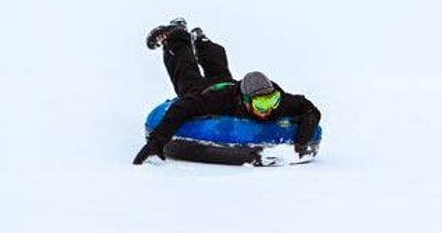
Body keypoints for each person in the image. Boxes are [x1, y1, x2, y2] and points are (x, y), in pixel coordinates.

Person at [133, 18, 322, 165]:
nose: (268, 109)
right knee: (185, 76)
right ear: (246, 101)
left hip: (227, 83)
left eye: (271, 101)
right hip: (206, 91)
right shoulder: (220, 101)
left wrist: (305, 131)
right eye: (261, 104)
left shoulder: (279, 103)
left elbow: (308, 108)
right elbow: (181, 108)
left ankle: (202, 40)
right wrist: (156, 143)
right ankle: (177, 34)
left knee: (220, 72)